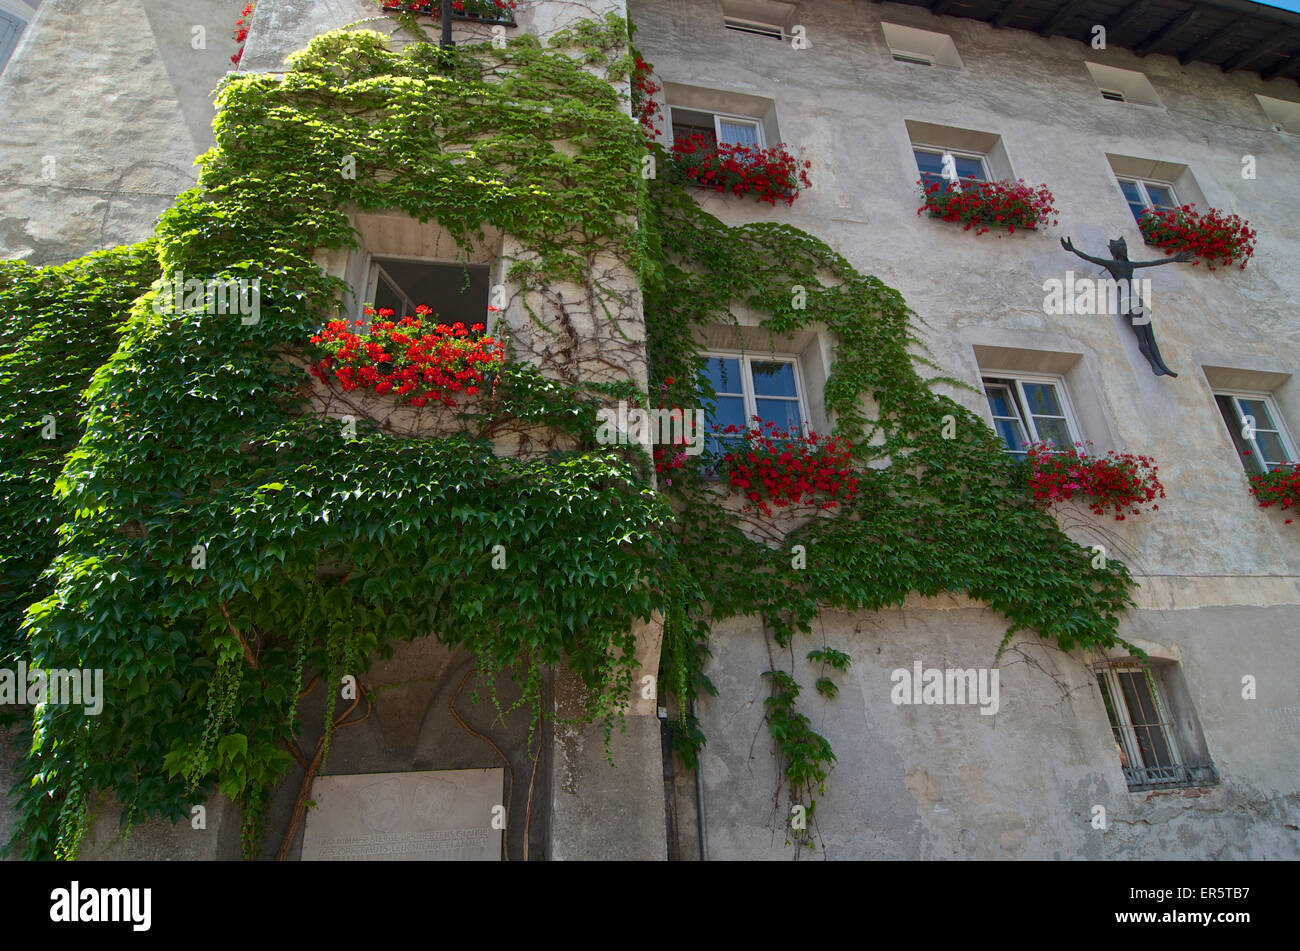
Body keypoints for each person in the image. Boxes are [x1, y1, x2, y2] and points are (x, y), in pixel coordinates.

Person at [1059, 236, 1192, 377]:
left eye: (1125, 248)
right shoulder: (1113, 265)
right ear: (1116, 251)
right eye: (1121, 248)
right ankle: (1154, 365)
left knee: (1150, 337)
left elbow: (1151, 263)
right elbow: (1092, 259)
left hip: (1138, 302)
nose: (1124, 250)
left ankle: (1163, 366)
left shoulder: (1129, 265)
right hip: (1128, 304)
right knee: (1141, 338)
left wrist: (1173, 259)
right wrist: (1074, 250)